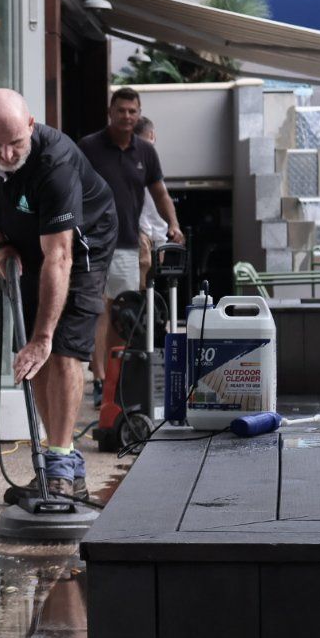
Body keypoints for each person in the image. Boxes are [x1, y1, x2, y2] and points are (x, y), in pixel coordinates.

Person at [0, 89, 117, 500]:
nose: (7, 154)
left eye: (16, 143)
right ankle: (59, 460)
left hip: (82, 246)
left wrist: (44, 336)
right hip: (29, 240)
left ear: (31, 126)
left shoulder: (55, 163)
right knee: (31, 354)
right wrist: (0, 243)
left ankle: (62, 466)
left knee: (61, 347)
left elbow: (60, 256)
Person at [78, 88, 183, 406]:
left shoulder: (145, 152)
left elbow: (160, 193)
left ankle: (116, 379)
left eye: (132, 111)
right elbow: (70, 188)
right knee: (98, 310)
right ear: (110, 112)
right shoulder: (89, 147)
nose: (126, 116)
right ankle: (100, 380)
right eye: (121, 110)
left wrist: (173, 224)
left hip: (127, 242)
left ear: (138, 114)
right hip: (92, 243)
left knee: (122, 314)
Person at [133, 117, 170, 289]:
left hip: (145, 234)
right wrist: (159, 239)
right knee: (139, 287)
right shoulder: (143, 163)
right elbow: (151, 207)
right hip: (142, 234)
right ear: (152, 135)